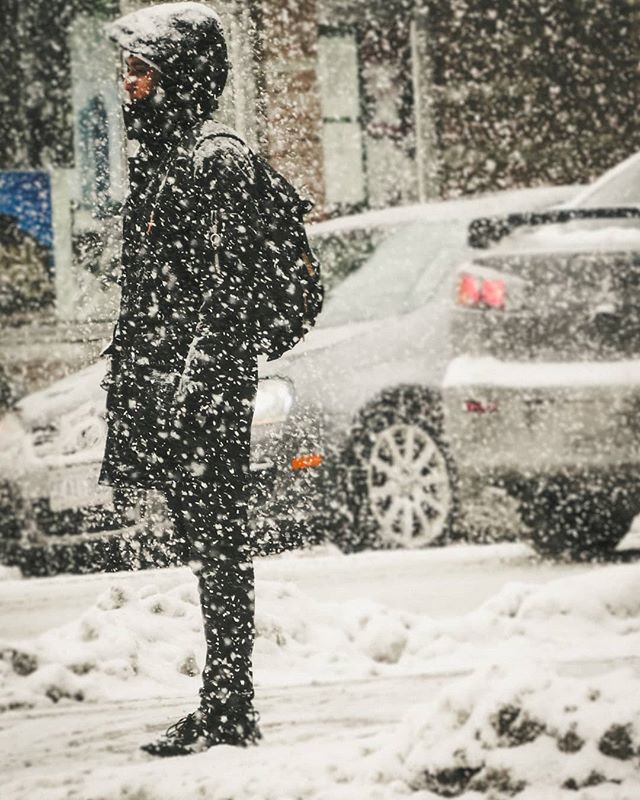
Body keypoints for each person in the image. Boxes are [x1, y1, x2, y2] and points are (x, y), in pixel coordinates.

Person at [99, 2, 262, 757]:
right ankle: (223, 703)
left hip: (207, 395)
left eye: (141, 70)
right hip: (181, 391)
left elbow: (234, 288)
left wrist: (197, 382)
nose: (128, 85)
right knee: (210, 546)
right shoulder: (165, 158)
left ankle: (231, 707)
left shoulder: (213, 157)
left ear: (180, 76)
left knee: (220, 547)